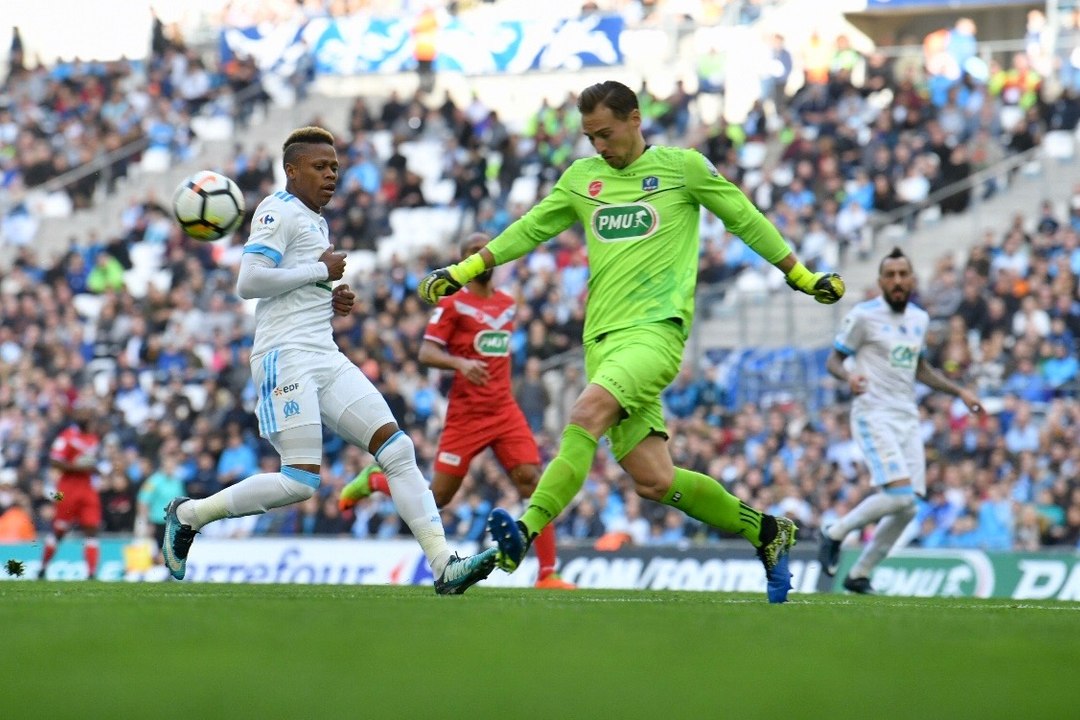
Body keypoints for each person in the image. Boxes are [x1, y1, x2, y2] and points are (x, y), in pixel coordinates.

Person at [417, 81, 846, 603]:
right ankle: (766, 531)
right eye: (590, 136)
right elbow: (528, 230)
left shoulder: (681, 168)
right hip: (601, 341)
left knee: (584, 415)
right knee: (654, 479)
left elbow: (743, 218)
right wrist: (463, 270)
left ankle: (520, 538)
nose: (599, 145)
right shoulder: (582, 179)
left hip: (655, 335)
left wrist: (800, 275)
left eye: (606, 132)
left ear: (635, 118)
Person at [161, 126, 496, 594]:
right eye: (320, 167)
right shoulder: (278, 210)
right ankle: (189, 515)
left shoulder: (316, 220)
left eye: (335, 166)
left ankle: (444, 565)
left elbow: (292, 285)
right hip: (286, 357)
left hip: (323, 352)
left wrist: (329, 297)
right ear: (291, 170)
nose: (331, 174)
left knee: (397, 449)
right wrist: (321, 271)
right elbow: (250, 281)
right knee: (300, 481)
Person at [339, 233, 575, 589]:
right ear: (461, 262)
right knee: (439, 499)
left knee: (533, 481)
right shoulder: (452, 304)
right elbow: (427, 353)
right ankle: (376, 480)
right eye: (469, 253)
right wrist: (460, 365)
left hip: (504, 410)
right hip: (466, 415)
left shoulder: (508, 304)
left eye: (483, 251)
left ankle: (547, 574)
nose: (478, 256)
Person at [819, 247, 984, 594]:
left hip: (907, 417)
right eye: (890, 275)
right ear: (880, 282)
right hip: (873, 413)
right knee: (898, 495)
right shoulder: (864, 316)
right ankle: (834, 532)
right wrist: (848, 376)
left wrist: (959, 392)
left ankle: (860, 573)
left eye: (902, 274)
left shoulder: (919, 319)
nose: (897, 281)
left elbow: (920, 369)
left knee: (908, 507)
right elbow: (834, 361)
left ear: (912, 279)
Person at [40, 400, 102, 580]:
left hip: (88, 489)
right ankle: (43, 567)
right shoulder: (67, 436)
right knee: (59, 529)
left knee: (92, 528)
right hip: (66, 489)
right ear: (77, 417)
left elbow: (91, 463)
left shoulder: (93, 438)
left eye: (88, 414)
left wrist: (95, 469)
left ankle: (91, 572)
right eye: (83, 413)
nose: (86, 417)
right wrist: (77, 467)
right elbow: (54, 460)